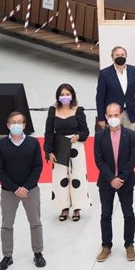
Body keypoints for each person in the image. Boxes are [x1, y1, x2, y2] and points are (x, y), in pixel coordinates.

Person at [0, 111, 45, 270]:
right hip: (9, 191)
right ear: (8, 125)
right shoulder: (1, 145)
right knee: (7, 225)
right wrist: (15, 188)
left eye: (20, 122)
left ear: (24, 125)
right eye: (13, 122)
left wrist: (26, 187)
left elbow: (38, 167)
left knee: (35, 223)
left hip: (30, 190)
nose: (16, 125)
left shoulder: (33, 143)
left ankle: (38, 253)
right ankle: (7, 256)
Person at [93, 103, 135, 263]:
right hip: (106, 182)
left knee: (128, 213)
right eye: (109, 115)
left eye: (115, 115)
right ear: (105, 116)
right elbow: (98, 160)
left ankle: (129, 245)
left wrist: (122, 178)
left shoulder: (131, 135)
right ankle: (106, 246)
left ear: (121, 115)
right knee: (106, 214)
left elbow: (133, 159)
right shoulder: (99, 136)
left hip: (126, 181)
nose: (113, 118)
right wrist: (111, 178)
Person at [44, 83, 91, 222]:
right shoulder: (53, 111)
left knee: (77, 176)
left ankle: (77, 207)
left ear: (72, 96)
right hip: (59, 146)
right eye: (62, 94)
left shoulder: (79, 110)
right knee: (60, 178)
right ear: (58, 96)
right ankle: (63, 206)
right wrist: (49, 151)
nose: (65, 97)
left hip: (75, 146)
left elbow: (85, 131)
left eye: (67, 94)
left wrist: (78, 137)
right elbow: (48, 132)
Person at [96, 46, 135, 130]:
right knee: (113, 141)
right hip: (113, 114)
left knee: (130, 139)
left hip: (131, 114)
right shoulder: (105, 73)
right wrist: (101, 118)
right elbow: (100, 98)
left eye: (122, 55)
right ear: (112, 57)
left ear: (126, 56)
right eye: (117, 55)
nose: (120, 57)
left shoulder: (134, 71)